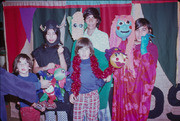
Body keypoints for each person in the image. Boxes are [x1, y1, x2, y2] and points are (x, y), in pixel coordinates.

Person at [109, 16, 158, 121]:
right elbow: (116, 63)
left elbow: (151, 71)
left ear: (149, 31)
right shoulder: (127, 45)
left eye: (143, 30)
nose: (140, 34)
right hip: (124, 89)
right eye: (137, 30)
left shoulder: (151, 47)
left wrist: (144, 50)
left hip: (139, 90)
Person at [31, 19, 71, 121]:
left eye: (54, 33)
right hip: (46, 89)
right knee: (49, 116)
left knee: (62, 115)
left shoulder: (64, 50)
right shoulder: (39, 51)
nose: (51, 36)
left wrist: (60, 54)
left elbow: (65, 70)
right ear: (45, 35)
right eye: (48, 34)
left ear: (58, 34)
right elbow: (34, 70)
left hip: (60, 88)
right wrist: (45, 68)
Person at [66, 37, 111, 121]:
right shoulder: (74, 64)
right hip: (79, 96)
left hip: (93, 95)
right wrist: (71, 93)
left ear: (90, 51)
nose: (83, 52)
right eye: (81, 49)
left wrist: (104, 80)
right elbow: (69, 80)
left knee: (92, 118)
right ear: (77, 51)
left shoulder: (95, 64)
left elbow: (98, 82)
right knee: (77, 118)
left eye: (86, 49)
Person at [83, 7, 112, 120]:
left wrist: (108, 73)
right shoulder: (80, 37)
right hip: (86, 78)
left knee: (102, 107)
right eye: (88, 18)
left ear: (97, 21)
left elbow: (107, 58)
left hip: (100, 76)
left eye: (93, 18)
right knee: (86, 108)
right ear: (84, 20)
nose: (90, 20)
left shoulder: (103, 36)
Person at [13, 53, 49, 121]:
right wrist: (37, 106)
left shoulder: (33, 76)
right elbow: (24, 96)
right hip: (26, 107)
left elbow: (38, 91)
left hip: (36, 106)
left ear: (29, 66)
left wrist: (42, 101)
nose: (22, 65)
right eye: (20, 63)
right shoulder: (17, 80)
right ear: (17, 68)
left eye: (25, 63)